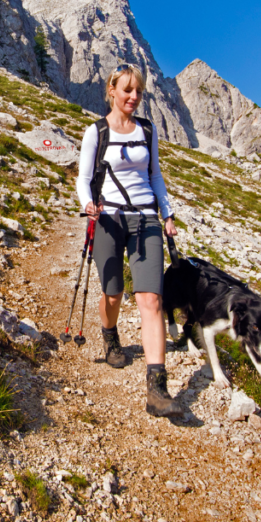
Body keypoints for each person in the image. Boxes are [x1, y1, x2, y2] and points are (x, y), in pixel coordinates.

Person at [76, 63, 184, 418]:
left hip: (145, 218)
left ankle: (157, 388)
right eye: (127, 91)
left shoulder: (148, 130)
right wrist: (87, 203)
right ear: (111, 90)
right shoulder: (96, 132)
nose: (134, 98)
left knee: (151, 298)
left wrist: (166, 213)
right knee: (113, 292)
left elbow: (155, 176)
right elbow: (83, 177)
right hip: (107, 217)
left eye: (138, 91)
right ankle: (110, 335)